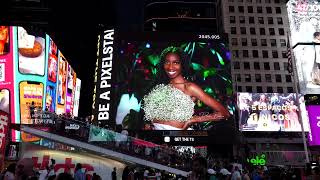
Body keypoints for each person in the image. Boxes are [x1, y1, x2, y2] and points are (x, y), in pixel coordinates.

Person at [143, 46, 230, 130]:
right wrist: (149, 124)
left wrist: (193, 120)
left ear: (182, 64)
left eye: (176, 62)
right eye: (167, 62)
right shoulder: (160, 86)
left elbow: (224, 113)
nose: (170, 67)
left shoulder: (189, 87)